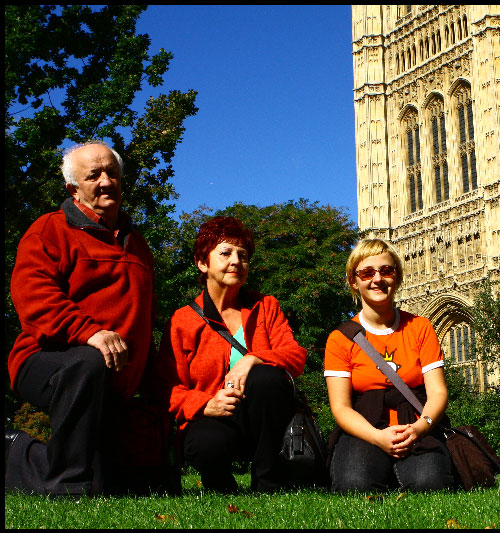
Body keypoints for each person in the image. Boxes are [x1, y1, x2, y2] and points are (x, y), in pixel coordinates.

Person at [6, 141, 159, 496]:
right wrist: (89, 332)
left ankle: (14, 453)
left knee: (118, 482)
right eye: (94, 175)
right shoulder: (49, 230)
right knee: (88, 362)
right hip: (45, 359)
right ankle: (69, 488)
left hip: (111, 379)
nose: (106, 182)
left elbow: (145, 319)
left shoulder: (138, 245)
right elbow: (33, 298)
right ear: (73, 188)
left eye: (113, 174)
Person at [156, 216, 306, 493]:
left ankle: (267, 481)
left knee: (265, 377)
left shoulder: (266, 306)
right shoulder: (183, 320)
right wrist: (205, 404)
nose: (236, 260)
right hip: (215, 420)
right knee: (203, 443)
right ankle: (220, 483)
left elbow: (295, 355)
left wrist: (251, 359)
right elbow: (166, 387)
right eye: (225, 253)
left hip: (263, 420)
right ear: (202, 263)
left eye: (243, 255)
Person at [324, 239, 455, 493]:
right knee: (353, 485)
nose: (377, 279)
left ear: (397, 276)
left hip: (415, 423)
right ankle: (383, 467)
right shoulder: (340, 338)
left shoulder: (420, 328)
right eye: (367, 273)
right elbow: (340, 407)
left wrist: (420, 427)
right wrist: (377, 437)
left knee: (431, 484)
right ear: (354, 281)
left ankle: (400, 470)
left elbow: (438, 391)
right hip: (365, 428)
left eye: (386, 270)